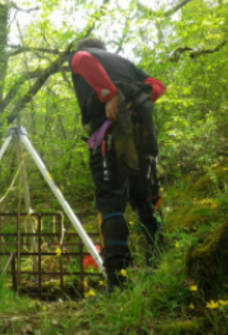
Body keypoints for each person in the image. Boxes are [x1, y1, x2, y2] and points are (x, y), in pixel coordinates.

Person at [68, 38, 166, 293]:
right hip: (141, 140)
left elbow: (84, 62)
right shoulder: (125, 63)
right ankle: (157, 264)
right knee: (143, 198)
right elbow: (157, 85)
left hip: (108, 136)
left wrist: (110, 95)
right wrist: (133, 102)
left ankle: (117, 280)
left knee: (111, 200)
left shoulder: (81, 55)